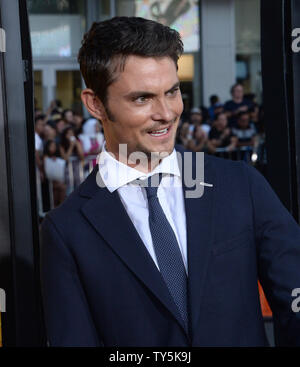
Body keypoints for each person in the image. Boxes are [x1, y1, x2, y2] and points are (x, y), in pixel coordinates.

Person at [41, 16, 300, 347]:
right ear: (96, 104)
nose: (166, 112)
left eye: (173, 91)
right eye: (142, 98)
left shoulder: (239, 186)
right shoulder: (67, 231)